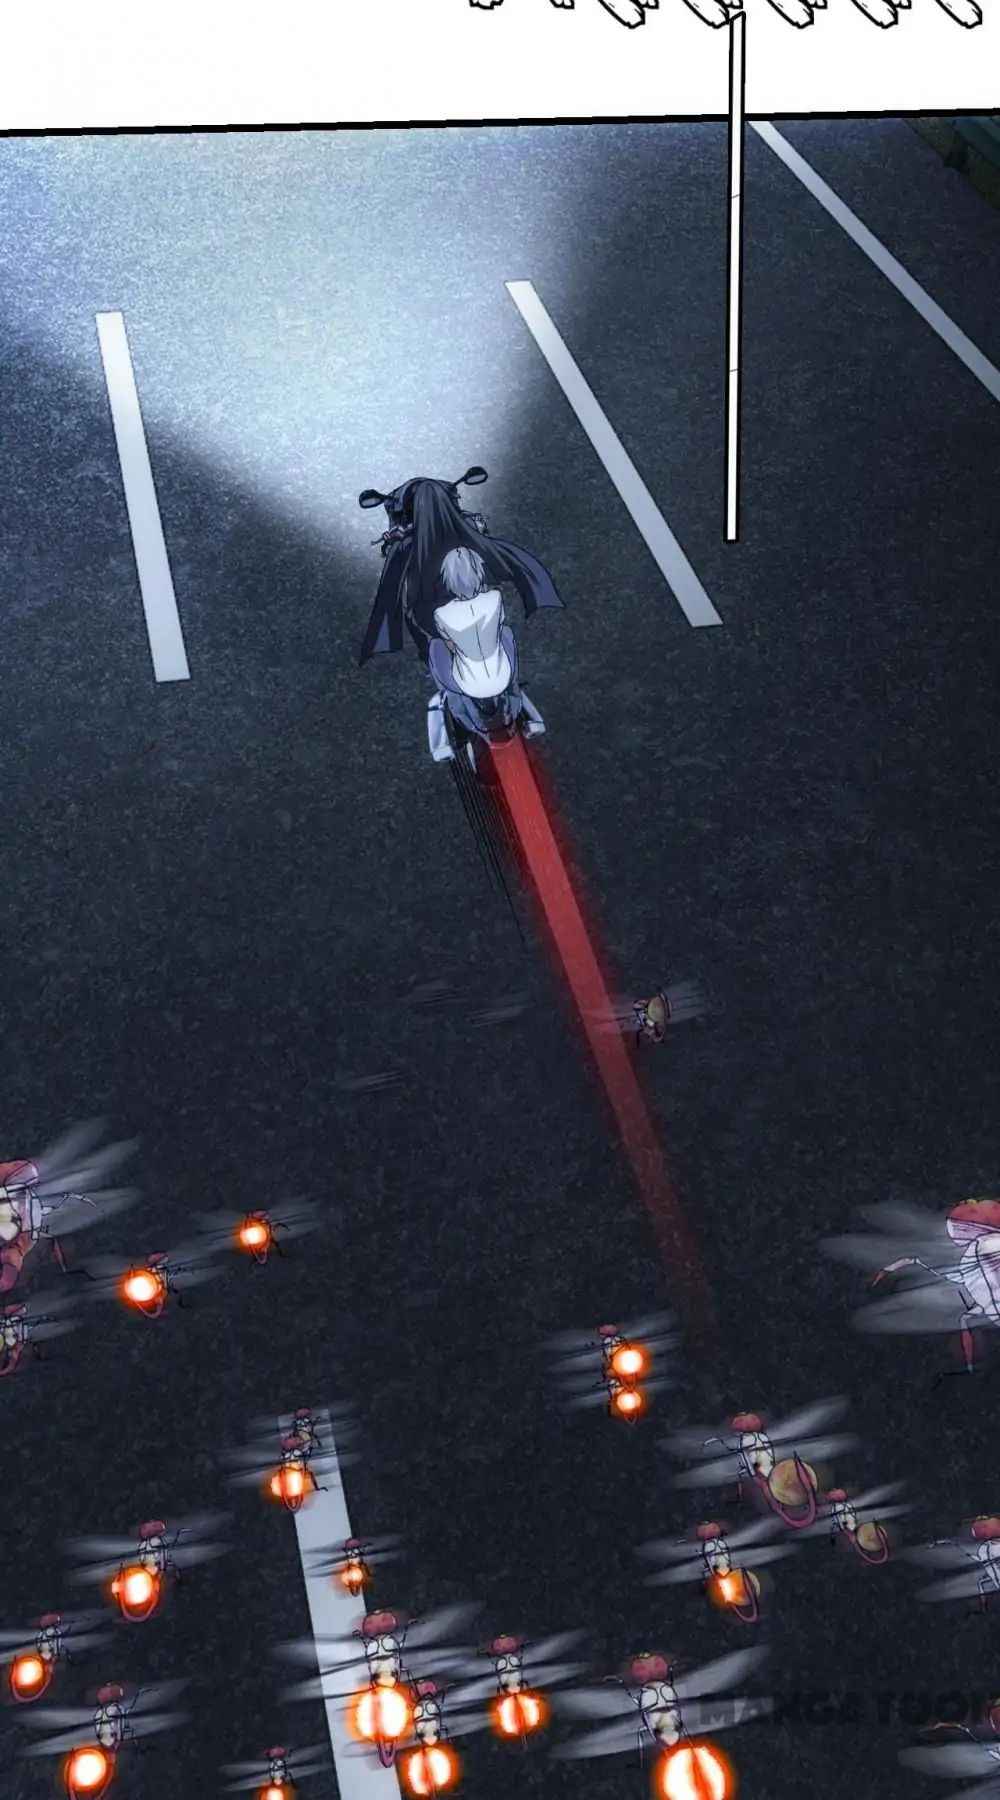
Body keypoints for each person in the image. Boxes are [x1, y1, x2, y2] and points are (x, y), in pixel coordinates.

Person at [357, 469, 563, 761]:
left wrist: (394, 542)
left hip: (439, 611)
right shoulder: (488, 591)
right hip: (481, 636)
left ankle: (445, 723)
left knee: (433, 645)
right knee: (501, 635)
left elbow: (432, 628)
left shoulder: (441, 605)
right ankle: (518, 700)